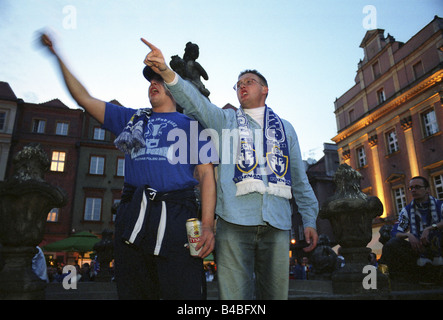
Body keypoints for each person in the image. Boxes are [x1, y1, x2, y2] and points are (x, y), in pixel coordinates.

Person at [39, 33, 217, 299]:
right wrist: (57, 56)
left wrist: (208, 226)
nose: (152, 84)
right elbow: (84, 99)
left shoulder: (192, 124)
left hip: (177, 216)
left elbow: (206, 174)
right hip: (134, 213)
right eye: (150, 80)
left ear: (174, 87)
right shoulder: (131, 119)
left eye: (159, 79)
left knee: (183, 292)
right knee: (134, 290)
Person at [141, 38, 319, 299]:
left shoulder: (286, 128)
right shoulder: (224, 120)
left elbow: (299, 179)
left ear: (265, 89)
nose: (242, 87)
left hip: (278, 224)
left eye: (249, 82)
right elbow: (195, 102)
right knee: (234, 300)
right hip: (234, 224)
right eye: (239, 84)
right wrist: (167, 72)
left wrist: (310, 219)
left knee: (276, 296)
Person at [383, 176, 443, 281]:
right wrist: (408, 235)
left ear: (427, 189)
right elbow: (395, 232)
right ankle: (404, 280)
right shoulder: (407, 210)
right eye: (411, 188)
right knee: (392, 244)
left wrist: (430, 228)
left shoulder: (440, 205)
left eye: (417, 187)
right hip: (418, 249)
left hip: (440, 245)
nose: (414, 190)